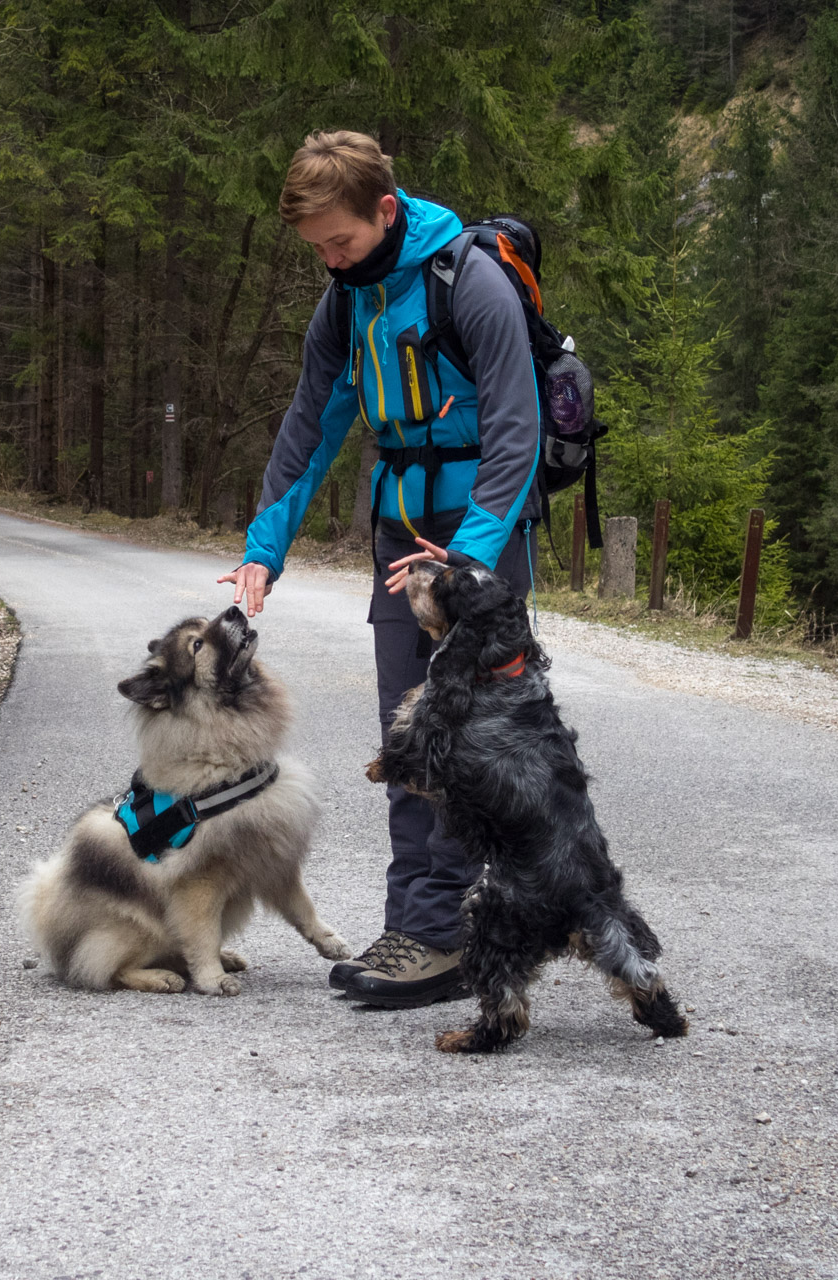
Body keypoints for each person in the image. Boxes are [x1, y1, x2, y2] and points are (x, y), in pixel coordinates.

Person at [218, 131, 543, 1006]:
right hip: (401, 535)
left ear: (385, 211)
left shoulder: (468, 281)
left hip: (479, 535)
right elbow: (310, 425)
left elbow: (517, 428)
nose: (330, 260)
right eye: (318, 248)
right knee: (409, 736)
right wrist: (263, 551)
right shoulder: (347, 299)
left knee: (474, 734)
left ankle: (463, 929)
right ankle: (420, 924)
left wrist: (468, 566)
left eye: (341, 242)